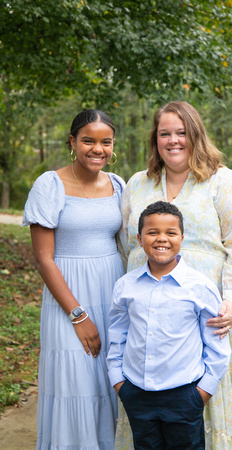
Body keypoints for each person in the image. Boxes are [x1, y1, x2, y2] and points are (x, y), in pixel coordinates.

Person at [116, 101, 232, 449]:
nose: (173, 140)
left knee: (202, 400)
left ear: (196, 135)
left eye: (181, 132)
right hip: (151, 311)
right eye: (165, 133)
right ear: (155, 139)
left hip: (208, 314)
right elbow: (127, 243)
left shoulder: (226, 183)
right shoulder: (138, 184)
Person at [22, 109, 125, 449]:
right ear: (72, 142)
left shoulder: (119, 185)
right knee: (75, 381)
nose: (98, 149)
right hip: (69, 299)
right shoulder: (50, 184)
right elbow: (44, 258)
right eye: (88, 141)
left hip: (110, 293)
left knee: (109, 382)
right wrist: (78, 315)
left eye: (105, 142)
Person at [107, 201, 231, 449]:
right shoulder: (126, 286)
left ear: (182, 237)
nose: (161, 239)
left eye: (170, 233)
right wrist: (119, 383)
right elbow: (117, 336)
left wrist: (201, 394)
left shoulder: (200, 287)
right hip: (136, 393)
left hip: (184, 395)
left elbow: (216, 344)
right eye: (152, 232)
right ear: (140, 238)